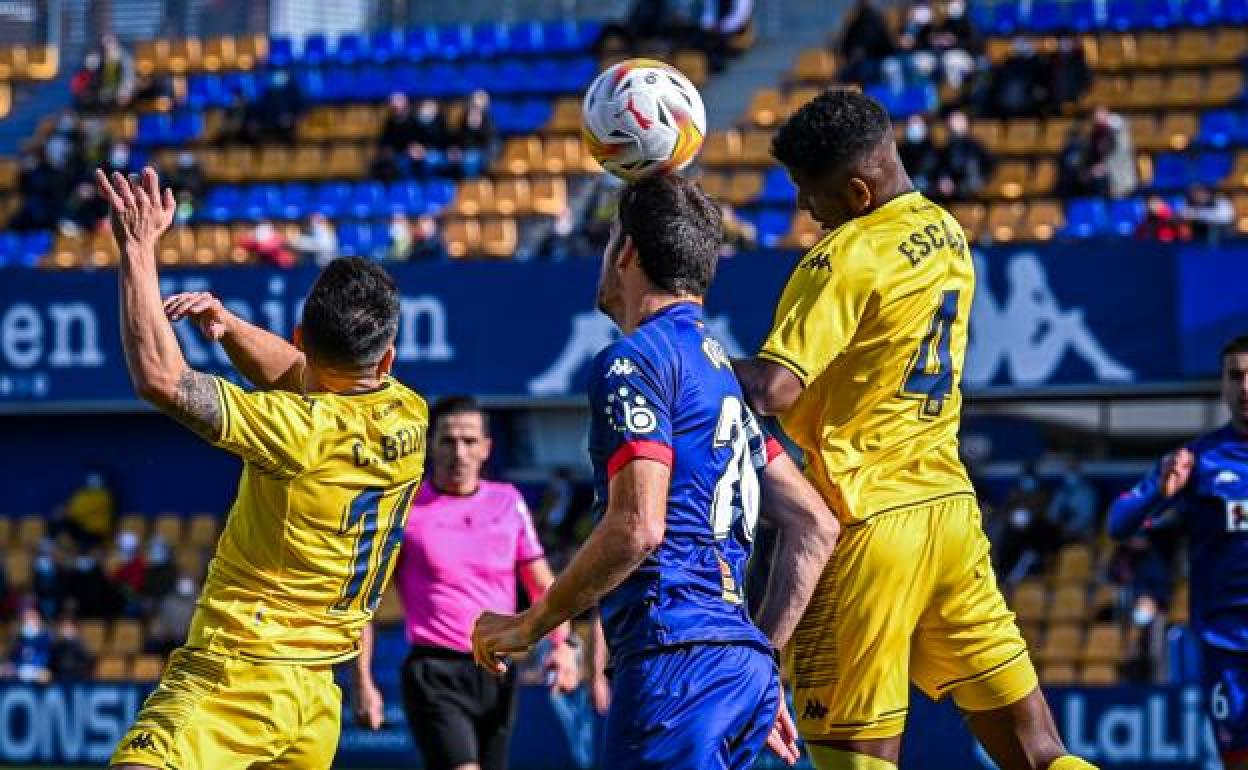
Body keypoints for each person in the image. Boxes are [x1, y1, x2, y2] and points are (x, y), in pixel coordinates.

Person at [732, 89, 1097, 770]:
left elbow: (775, 388)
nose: (805, 211)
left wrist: (689, 360)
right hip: (951, 517)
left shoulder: (843, 257)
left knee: (854, 760)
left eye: (810, 193)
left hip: (867, 522)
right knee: (1039, 751)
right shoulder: (946, 231)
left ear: (859, 192)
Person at [472, 174, 840, 770]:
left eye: (611, 235)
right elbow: (814, 524)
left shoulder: (635, 362)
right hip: (736, 670)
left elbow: (638, 526)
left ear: (628, 253)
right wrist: (758, 656)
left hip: (674, 659)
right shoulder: (721, 377)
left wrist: (531, 623)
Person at [97, 167, 429, 770]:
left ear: (302, 334)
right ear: (387, 357)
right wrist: (227, 328)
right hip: (313, 700)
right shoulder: (409, 414)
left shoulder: (295, 432)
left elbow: (162, 379)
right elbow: (305, 374)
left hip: (238, 674)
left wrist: (138, 250)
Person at [351, 396, 580, 770]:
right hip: (433, 671)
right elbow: (365, 604)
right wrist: (363, 681)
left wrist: (564, 647)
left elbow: (544, 587)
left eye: (470, 441)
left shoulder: (508, 502)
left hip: (497, 670)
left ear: (487, 448)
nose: (459, 452)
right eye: (448, 441)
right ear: (429, 444)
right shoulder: (405, 510)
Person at [1108, 335, 1248, 769]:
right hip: (1227, 649)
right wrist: (1158, 495)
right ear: (1223, 386)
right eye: (1235, 376)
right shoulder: (1196, 461)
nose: (1245, 387)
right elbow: (1118, 523)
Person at [936, 110, 994, 201]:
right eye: (953, 122)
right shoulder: (946, 149)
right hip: (952, 192)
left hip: (973, 189)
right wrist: (944, 179)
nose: (955, 125)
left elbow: (989, 166)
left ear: (966, 123)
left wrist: (982, 180)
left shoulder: (976, 146)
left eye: (958, 121)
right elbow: (941, 168)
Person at [1046, 458, 1099, 543]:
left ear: (1079, 471)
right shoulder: (1061, 492)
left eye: (1073, 469)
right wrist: (1057, 526)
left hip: (1081, 532)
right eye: (1068, 469)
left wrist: (1070, 528)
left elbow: (1086, 516)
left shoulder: (1088, 492)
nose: (1070, 472)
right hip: (1060, 532)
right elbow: (1051, 514)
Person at [1, 606, 52, 683]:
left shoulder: (45, 637)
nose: (29, 621)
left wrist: (34, 668)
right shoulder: (18, 637)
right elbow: (13, 656)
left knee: (45, 676)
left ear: (38, 620)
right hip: (18, 668)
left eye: (32, 618)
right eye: (26, 618)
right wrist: (12, 666)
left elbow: (45, 657)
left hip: (37, 669)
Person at [50, 615, 94, 681]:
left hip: (78, 675)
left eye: (69, 627)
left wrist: (74, 642)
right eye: (64, 628)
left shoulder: (81, 643)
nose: (66, 630)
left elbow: (87, 658)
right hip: (61, 675)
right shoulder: (58, 645)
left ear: (74, 629)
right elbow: (54, 662)